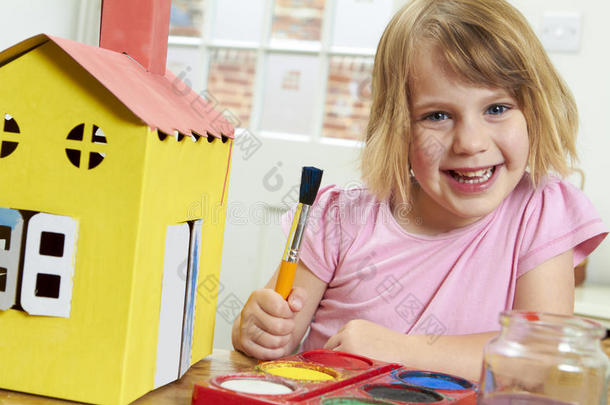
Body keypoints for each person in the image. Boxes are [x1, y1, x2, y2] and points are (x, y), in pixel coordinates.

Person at [232, 0, 608, 381]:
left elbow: (538, 359)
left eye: (496, 108)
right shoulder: (341, 219)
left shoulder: (541, 212)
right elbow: (274, 339)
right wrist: (257, 330)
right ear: (396, 127)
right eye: (437, 116)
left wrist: (396, 350)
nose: (470, 143)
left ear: (534, 110)